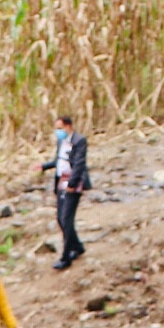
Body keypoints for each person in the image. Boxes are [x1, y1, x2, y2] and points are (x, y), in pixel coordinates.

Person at [45, 113, 90, 270]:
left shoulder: (79, 141)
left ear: (68, 126)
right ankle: (77, 246)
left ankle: (66, 257)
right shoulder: (61, 141)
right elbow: (59, 161)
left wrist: (72, 183)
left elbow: (79, 164)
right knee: (60, 218)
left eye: (60, 128)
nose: (58, 131)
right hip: (61, 182)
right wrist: (44, 166)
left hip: (72, 182)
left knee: (67, 219)